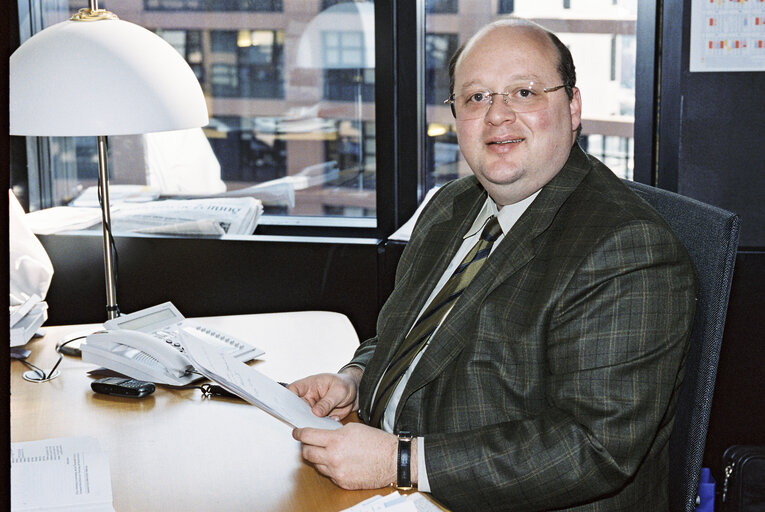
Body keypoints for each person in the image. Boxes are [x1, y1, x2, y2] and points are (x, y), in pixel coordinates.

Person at [290, 18, 697, 510]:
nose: (498, 116)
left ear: (572, 107)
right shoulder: (451, 206)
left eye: (523, 92)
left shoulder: (626, 248)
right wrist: (353, 380)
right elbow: (408, 333)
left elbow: (594, 449)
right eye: (477, 97)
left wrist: (401, 461)